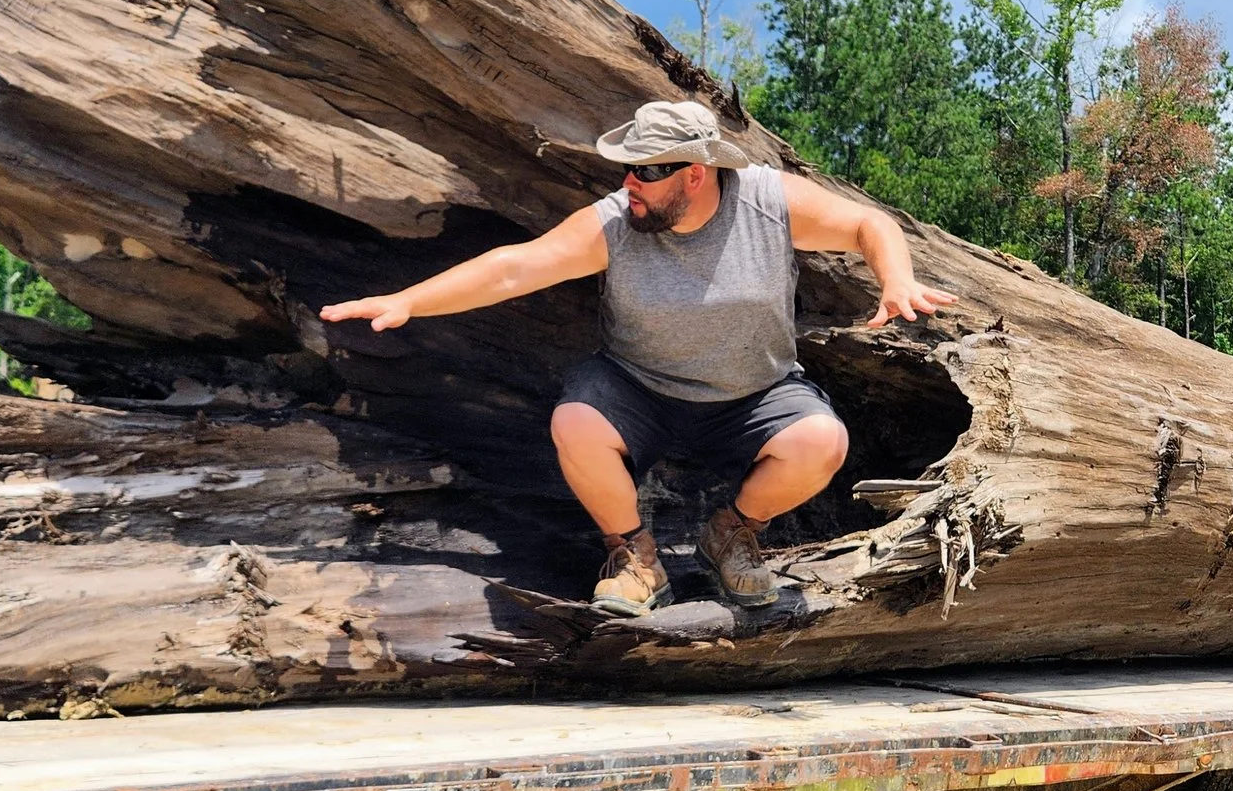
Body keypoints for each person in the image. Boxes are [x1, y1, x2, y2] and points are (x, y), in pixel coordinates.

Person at [320, 100, 958, 616]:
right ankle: (635, 557)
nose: (630, 182)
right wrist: (408, 301)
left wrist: (896, 279)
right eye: (628, 168)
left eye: (646, 171)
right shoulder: (614, 222)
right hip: (638, 389)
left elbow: (868, 224)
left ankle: (732, 533)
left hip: (755, 394)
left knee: (822, 442)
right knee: (575, 422)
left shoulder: (766, 200)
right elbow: (516, 268)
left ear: (695, 174)